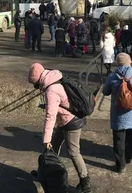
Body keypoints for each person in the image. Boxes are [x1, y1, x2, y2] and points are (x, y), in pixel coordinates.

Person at [28, 63, 91, 192]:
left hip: (71, 121)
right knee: (53, 147)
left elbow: (50, 117)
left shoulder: (51, 90)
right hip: (65, 120)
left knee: (73, 152)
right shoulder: (55, 77)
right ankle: (44, 172)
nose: (37, 88)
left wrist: (46, 138)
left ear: (39, 80)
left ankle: (85, 183)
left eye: (35, 85)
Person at [102, 53, 132, 173]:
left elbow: (105, 92)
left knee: (118, 138)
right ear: (130, 62)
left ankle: (120, 165)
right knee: (130, 135)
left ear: (117, 63)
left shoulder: (112, 76)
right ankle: (128, 157)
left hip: (118, 113)